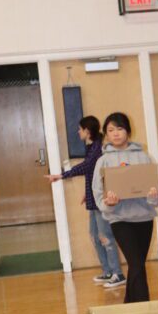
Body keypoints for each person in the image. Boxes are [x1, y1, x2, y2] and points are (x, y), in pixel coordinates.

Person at [46, 115, 125, 289]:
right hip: (93, 199)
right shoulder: (91, 148)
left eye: (80, 129)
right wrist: (86, 192)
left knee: (105, 237)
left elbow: (87, 167)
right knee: (95, 236)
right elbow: (93, 175)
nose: (78, 132)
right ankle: (107, 271)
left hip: (100, 201)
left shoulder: (97, 148)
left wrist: (61, 175)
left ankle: (117, 273)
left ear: (87, 131)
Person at [91, 112, 158, 304]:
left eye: (119, 128)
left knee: (135, 265)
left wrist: (153, 196)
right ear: (106, 135)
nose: (115, 134)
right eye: (110, 130)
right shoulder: (103, 161)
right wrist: (108, 203)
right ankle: (144, 308)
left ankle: (130, 305)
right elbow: (98, 193)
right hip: (120, 219)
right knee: (137, 264)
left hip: (144, 218)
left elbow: (157, 195)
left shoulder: (144, 157)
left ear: (128, 131)